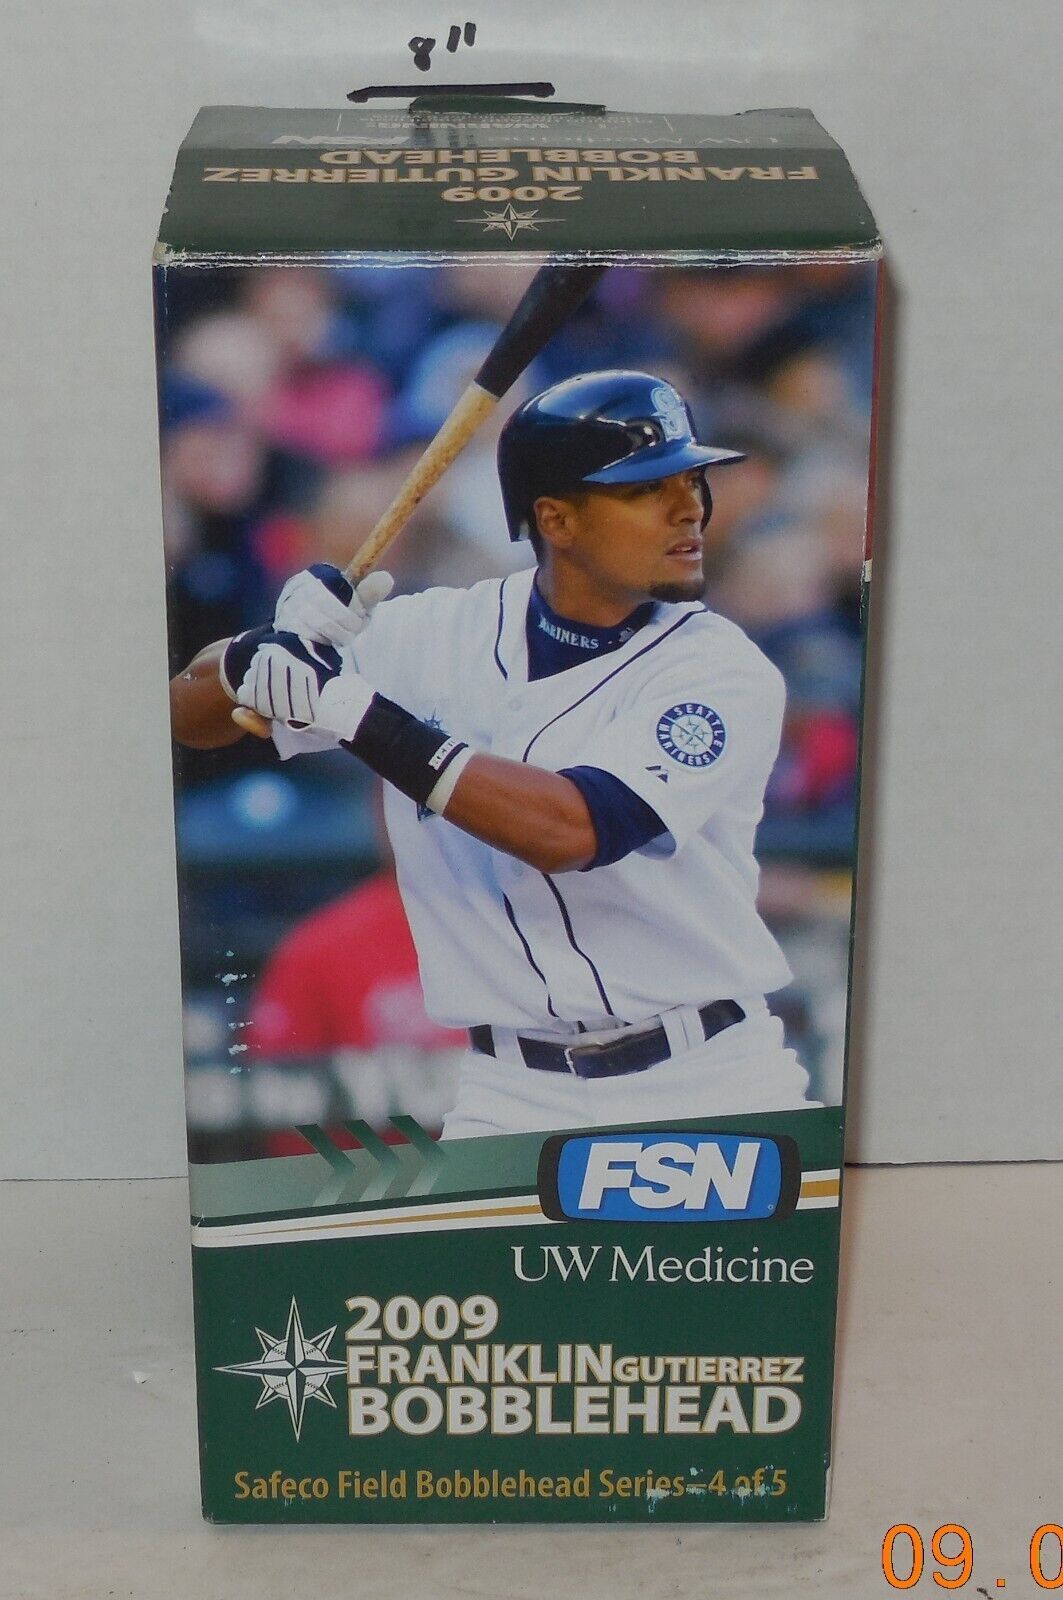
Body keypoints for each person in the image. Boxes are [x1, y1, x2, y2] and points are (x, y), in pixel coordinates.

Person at [171, 370, 813, 1137]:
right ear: (555, 519)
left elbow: (574, 831)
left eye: (690, 481)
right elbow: (186, 716)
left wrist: (356, 713)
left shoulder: (720, 668)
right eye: (647, 489)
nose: (691, 509)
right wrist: (259, 652)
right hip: (510, 1089)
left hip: (706, 1075)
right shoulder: (434, 632)